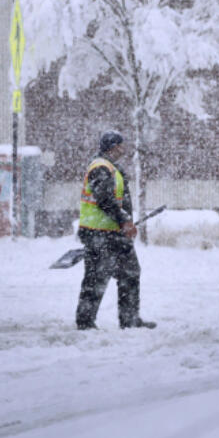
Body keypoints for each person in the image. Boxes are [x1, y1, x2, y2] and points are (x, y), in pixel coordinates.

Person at [75, 131, 156, 330]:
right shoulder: (100, 167)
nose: (123, 148)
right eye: (121, 145)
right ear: (113, 146)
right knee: (96, 278)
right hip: (99, 233)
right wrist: (124, 220)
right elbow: (104, 199)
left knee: (130, 273)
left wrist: (124, 222)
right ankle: (85, 322)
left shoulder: (110, 167)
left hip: (114, 233)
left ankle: (130, 319)